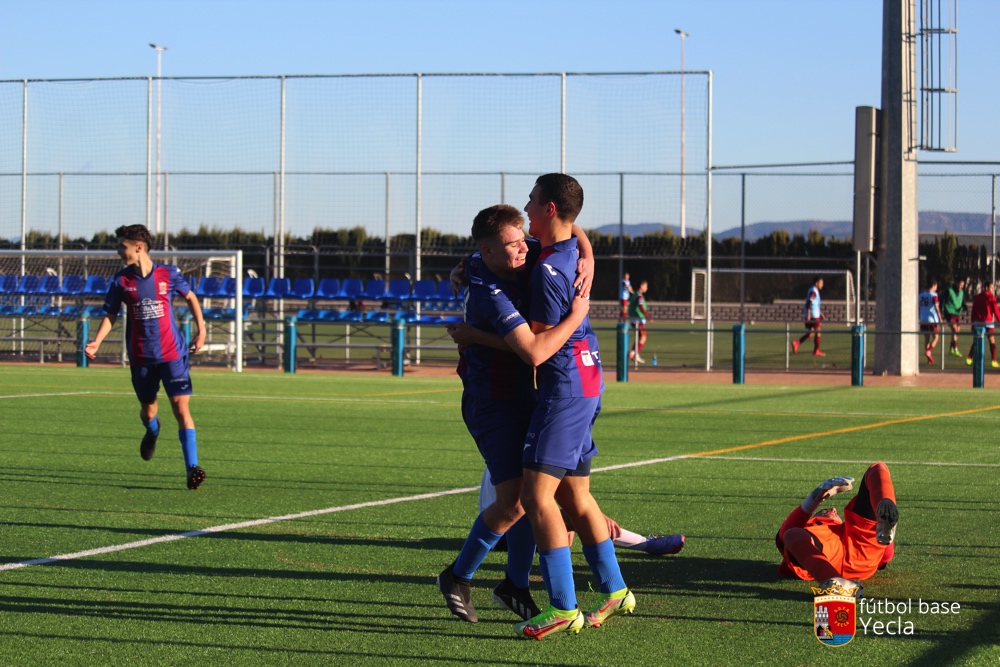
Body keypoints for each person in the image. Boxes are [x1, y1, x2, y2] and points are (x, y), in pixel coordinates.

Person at [436, 204, 594, 625]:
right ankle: (457, 576)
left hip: (524, 394)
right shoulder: (489, 289)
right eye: (512, 244)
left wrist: (589, 259)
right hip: (492, 402)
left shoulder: (508, 254)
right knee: (512, 502)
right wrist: (578, 316)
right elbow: (535, 351)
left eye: (523, 238)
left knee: (529, 497)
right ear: (488, 253)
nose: (524, 248)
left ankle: (515, 584)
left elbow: (570, 229)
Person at [516, 173, 632, 640]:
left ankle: (563, 605)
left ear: (547, 210)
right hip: (589, 376)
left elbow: (538, 346)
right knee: (574, 495)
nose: (525, 205)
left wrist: (481, 336)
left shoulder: (547, 270)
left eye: (531, 200)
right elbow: (573, 228)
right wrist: (587, 247)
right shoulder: (564, 251)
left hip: (564, 387)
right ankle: (616, 589)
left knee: (536, 497)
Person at [84, 224, 207, 490]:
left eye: (122, 246)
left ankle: (192, 468)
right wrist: (97, 341)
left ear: (138, 247)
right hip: (141, 357)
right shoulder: (121, 280)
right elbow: (111, 314)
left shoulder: (168, 273)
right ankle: (152, 431)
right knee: (149, 410)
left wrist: (202, 330)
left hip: (173, 354)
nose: (119, 251)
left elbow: (191, 298)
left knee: (181, 408)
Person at [478, 469, 684, 557]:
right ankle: (645, 544)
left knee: (572, 512)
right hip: (502, 534)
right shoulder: (523, 447)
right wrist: (588, 517)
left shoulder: (520, 441)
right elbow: (533, 500)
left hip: (518, 526)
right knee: (576, 515)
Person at [775, 462, 899, 598]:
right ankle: (834, 581)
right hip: (857, 558)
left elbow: (886, 555)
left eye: (831, 511)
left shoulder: (846, 527)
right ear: (816, 518)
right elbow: (887, 556)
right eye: (826, 511)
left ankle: (884, 511)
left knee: (877, 468)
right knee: (792, 533)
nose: (833, 509)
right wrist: (816, 497)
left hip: (855, 545)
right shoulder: (811, 528)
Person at [966, 281, 1000, 368]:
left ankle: (969, 358)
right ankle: (993, 361)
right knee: (992, 341)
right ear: (986, 288)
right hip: (988, 322)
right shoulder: (992, 298)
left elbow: (973, 311)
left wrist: (973, 323)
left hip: (978, 322)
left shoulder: (977, 297)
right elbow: (996, 312)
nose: (993, 289)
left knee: (976, 341)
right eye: (991, 288)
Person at [792, 277, 825, 357]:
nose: (822, 285)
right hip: (813, 315)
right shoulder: (814, 291)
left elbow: (813, 303)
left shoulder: (813, 290)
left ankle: (797, 343)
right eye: (821, 283)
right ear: (816, 283)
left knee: (811, 333)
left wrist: (820, 313)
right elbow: (809, 303)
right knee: (818, 332)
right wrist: (809, 314)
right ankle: (816, 350)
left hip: (813, 314)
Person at [918, 279, 943, 365]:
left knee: (927, 338)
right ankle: (929, 351)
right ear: (934, 285)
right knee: (936, 337)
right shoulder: (934, 295)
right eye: (936, 286)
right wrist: (940, 318)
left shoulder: (921, 295)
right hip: (931, 319)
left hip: (923, 319)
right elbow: (936, 307)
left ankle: (929, 359)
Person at [627, 279, 650, 363]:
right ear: (641, 286)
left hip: (633, 319)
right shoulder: (639, 296)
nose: (646, 288)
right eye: (646, 286)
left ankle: (632, 353)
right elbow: (640, 305)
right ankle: (635, 354)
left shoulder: (635, 294)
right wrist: (646, 314)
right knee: (643, 337)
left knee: (640, 337)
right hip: (638, 320)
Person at [942, 278, 966, 357]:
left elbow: (962, 302)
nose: (961, 287)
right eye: (960, 284)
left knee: (957, 331)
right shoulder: (949, 290)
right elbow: (943, 300)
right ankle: (955, 349)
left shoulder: (962, 292)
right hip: (949, 312)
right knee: (955, 329)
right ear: (956, 283)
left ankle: (951, 349)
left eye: (962, 285)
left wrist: (965, 306)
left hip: (957, 314)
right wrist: (942, 311)